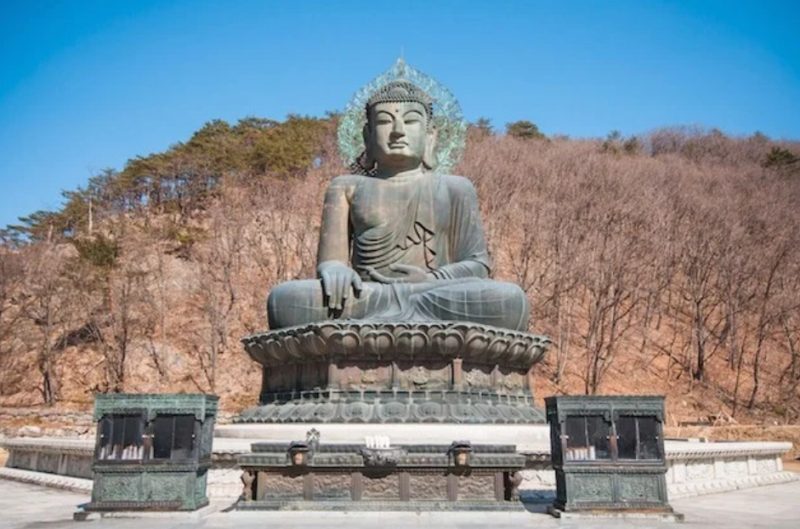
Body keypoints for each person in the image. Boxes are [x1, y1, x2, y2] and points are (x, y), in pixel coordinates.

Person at [267, 80, 529, 331]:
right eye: (384, 121)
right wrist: (335, 270)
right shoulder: (345, 186)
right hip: (368, 295)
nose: (398, 131)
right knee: (286, 299)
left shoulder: (455, 187)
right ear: (368, 136)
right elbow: (331, 262)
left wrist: (432, 279)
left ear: (430, 136)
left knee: (509, 300)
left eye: (411, 120)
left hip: (434, 293)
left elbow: (477, 264)